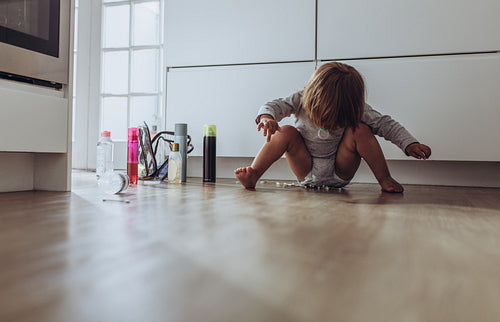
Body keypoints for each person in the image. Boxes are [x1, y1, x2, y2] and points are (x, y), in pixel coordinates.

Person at [234, 62, 431, 193]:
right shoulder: (299, 99)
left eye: (337, 117)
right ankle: (254, 174)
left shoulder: (356, 108)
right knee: (286, 131)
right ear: (310, 97)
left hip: (341, 171)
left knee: (360, 130)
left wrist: (409, 143)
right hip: (307, 170)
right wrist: (267, 117)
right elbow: (273, 106)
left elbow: (385, 124)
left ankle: (385, 178)